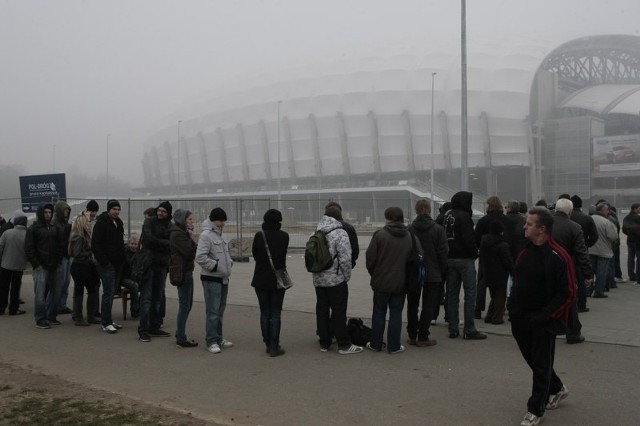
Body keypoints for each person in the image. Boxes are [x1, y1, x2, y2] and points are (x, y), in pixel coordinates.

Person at [508, 206, 575, 426]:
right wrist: (512, 305)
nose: (524, 226)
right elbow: (517, 280)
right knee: (535, 361)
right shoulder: (524, 249)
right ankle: (556, 387)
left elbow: (568, 292)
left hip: (544, 321)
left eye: (529, 223)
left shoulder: (558, 255)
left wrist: (545, 316)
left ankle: (535, 409)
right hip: (520, 318)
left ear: (542, 229)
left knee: (541, 364)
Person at [312, 205, 362, 355]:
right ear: (339, 217)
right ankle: (343, 345)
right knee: (339, 311)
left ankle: (324, 343)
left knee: (321, 310)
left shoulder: (317, 231)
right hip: (336, 279)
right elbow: (346, 258)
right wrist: (346, 276)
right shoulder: (340, 233)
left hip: (319, 279)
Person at [365, 206, 415, 354]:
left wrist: (374, 273)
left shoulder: (379, 235)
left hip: (381, 280)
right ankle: (394, 346)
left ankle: (376, 344)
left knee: (379, 312)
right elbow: (415, 258)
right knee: (396, 313)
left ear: (387, 218)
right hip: (401, 281)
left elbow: (370, 258)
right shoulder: (409, 236)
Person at [443, 191, 486, 340]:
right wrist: (475, 254)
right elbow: (469, 239)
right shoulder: (465, 216)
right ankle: (469, 329)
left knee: (452, 294)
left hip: (450, 258)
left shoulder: (448, 215)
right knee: (470, 294)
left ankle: (453, 328)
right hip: (464, 259)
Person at [551, 198, 593, 344]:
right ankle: (573, 333)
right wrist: (588, 273)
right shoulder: (574, 227)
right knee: (570, 300)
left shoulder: (545, 224)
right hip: (567, 269)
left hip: (546, 267)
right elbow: (581, 252)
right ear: (569, 211)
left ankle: (546, 330)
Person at [406, 199, 448, 346]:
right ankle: (423, 336)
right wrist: (443, 271)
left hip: (414, 272)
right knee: (428, 305)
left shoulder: (410, 229)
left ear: (416, 210)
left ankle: (412, 334)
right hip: (433, 271)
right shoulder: (438, 229)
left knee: (412, 304)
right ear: (429, 210)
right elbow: (443, 253)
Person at [251, 209, 289, 357]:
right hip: (278, 280)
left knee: (264, 312)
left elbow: (255, 255)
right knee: (276, 313)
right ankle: (274, 345)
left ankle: (267, 342)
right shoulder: (284, 237)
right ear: (279, 220)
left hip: (260, 279)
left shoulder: (259, 236)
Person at [196, 207, 234, 354]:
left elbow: (226, 253)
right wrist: (216, 266)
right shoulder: (206, 235)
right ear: (213, 220)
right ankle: (211, 340)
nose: (222, 223)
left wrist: (229, 263)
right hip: (211, 278)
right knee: (213, 311)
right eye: (220, 220)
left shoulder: (222, 235)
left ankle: (218, 337)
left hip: (223, 277)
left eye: (224, 220)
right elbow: (200, 257)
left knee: (220, 310)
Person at [25, 202, 64, 329]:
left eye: (50, 212)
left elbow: (60, 245)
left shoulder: (54, 227)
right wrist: (36, 264)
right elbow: (29, 249)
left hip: (55, 265)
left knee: (57, 292)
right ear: (41, 213)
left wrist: (58, 261)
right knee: (40, 295)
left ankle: (51, 316)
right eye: (45, 212)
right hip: (40, 267)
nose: (48, 215)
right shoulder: (33, 228)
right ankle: (40, 319)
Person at [138, 201, 173, 341]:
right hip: (149, 265)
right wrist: (163, 243)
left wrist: (158, 242)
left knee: (157, 297)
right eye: (159, 210)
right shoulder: (149, 222)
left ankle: (154, 326)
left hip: (162, 266)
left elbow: (171, 243)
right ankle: (143, 330)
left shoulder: (171, 226)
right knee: (146, 298)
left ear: (168, 213)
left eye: (164, 211)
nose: (160, 213)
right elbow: (147, 239)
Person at [91, 199, 126, 334]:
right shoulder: (101, 224)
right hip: (106, 265)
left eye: (118, 209)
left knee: (111, 293)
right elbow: (95, 245)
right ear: (108, 210)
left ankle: (109, 320)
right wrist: (105, 261)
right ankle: (105, 322)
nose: (116, 212)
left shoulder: (118, 223)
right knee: (108, 293)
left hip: (117, 263)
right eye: (114, 209)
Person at [474, 196, 510, 319]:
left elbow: (476, 238)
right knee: (500, 285)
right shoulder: (506, 220)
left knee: (482, 282)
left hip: (485, 255)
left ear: (490, 205)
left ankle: (478, 309)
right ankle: (497, 310)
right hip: (502, 253)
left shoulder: (483, 220)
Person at [170, 209, 198, 348]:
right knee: (184, 305)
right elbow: (189, 252)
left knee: (188, 304)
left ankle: (179, 333)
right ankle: (181, 336)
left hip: (187, 271)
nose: (192, 222)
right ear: (182, 220)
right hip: (183, 272)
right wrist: (192, 239)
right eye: (190, 220)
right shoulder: (178, 234)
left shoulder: (183, 233)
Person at [68, 213, 99, 326]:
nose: (88, 224)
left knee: (82, 290)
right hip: (80, 266)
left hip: (81, 266)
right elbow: (77, 254)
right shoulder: (79, 236)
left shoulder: (78, 235)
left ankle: (82, 316)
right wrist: (90, 251)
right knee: (88, 289)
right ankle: (83, 317)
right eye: (86, 222)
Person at [569, 195, 598, 312]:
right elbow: (595, 236)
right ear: (581, 205)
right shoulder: (587, 218)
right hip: (581, 251)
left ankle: (570, 303)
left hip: (567, 252)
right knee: (581, 279)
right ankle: (581, 304)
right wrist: (587, 244)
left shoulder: (568, 218)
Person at [480, 221, 513, 324]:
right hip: (500, 274)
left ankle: (489, 316)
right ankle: (497, 318)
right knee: (500, 296)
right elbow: (507, 261)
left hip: (488, 272)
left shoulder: (484, 242)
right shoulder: (503, 245)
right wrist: (513, 271)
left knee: (494, 296)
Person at [0, 212, 28, 316]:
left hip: (5, 264)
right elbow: (29, 250)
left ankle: (1, 308)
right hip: (19, 265)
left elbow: (0, 247)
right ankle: (13, 309)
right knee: (15, 287)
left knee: (3, 286)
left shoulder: (7, 233)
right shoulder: (27, 234)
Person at [588, 203, 618, 298]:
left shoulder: (589, 219)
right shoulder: (606, 222)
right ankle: (599, 291)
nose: (608, 211)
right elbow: (613, 236)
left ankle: (588, 291)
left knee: (590, 272)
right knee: (601, 272)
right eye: (606, 210)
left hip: (590, 249)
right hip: (603, 251)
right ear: (600, 210)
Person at [52, 201, 73, 316]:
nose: (66, 213)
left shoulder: (65, 223)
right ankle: (55, 307)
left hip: (67, 255)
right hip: (61, 257)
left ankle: (62, 305)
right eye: (65, 210)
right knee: (59, 283)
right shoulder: (55, 224)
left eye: (68, 211)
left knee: (66, 282)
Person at [325, 201, 359, 267]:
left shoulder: (320, 228)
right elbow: (354, 250)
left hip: (322, 270)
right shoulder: (349, 228)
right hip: (342, 269)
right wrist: (350, 263)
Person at [120, 235, 141, 319]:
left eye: (135, 244)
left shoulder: (139, 254)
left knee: (146, 286)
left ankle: (141, 308)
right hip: (125, 277)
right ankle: (135, 311)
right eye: (132, 243)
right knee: (134, 286)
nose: (133, 245)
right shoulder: (125, 253)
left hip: (135, 277)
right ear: (129, 244)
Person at [622, 203, 640, 285]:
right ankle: (638, 275)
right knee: (638, 259)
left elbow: (624, 230)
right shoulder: (638, 218)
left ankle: (631, 275)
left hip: (630, 240)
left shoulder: (626, 218)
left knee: (630, 258)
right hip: (638, 241)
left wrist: (630, 234)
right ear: (635, 208)